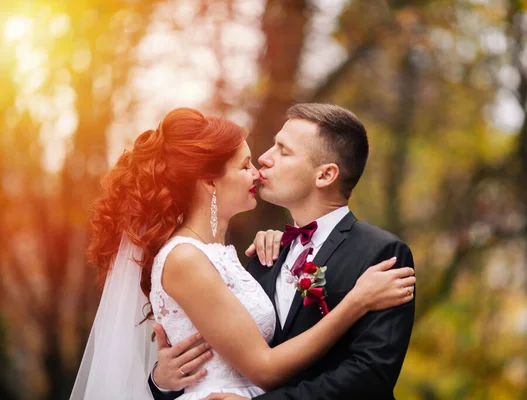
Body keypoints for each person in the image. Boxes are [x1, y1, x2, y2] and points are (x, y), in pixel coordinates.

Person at [70, 107, 416, 399]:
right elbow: (235, 359)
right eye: (248, 162)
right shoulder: (263, 254)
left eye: (283, 150)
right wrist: (161, 381)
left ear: (325, 174)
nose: (264, 161)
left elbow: (371, 375)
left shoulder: (381, 255)